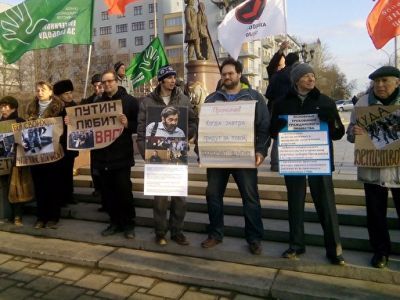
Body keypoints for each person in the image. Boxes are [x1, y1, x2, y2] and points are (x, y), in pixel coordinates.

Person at [270, 63, 345, 265]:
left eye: (313, 75)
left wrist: (331, 120)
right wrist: (277, 127)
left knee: (326, 205)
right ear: (296, 80)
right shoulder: (281, 103)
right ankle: (296, 245)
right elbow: (272, 132)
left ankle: (334, 249)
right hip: (294, 161)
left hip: (319, 161)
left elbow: (338, 134)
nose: (311, 79)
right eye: (306, 76)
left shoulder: (326, 101)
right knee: (295, 204)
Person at [199, 57, 269, 255]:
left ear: (239, 74)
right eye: (224, 74)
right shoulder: (211, 99)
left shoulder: (254, 97)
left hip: (244, 157)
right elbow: (204, 128)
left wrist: (261, 151)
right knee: (213, 196)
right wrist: (201, 152)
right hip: (216, 158)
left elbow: (264, 127)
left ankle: (254, 238)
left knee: (250, 198)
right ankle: (215, 234)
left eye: (231, 73)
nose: (227, 77)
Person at [137, 65, 198, 246]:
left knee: (179, 197)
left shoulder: (184, 100)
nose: (173, 80)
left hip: (178, 155)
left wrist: (187, 136)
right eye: (169, 77)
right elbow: (141, 132)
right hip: (157, 158)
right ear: (161, 80)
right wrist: (147, 154)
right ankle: (160, 232)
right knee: (160, 198)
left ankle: (177, 231)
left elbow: (193, 121)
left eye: (174, 77)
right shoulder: (147, 102)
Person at [347, 66, 400, 269]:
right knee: (376, 214)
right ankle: (380, 252)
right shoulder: (362, 103)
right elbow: (350, 134)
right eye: (376, 82)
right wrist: (354, 131)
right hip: (373, 170)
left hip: (398, 169)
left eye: (384, 80)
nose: (379, 85)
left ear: (397, 82)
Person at [92, 70, 139, 239]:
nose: (107, 85)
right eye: (104, 83)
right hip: (103, 156)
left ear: (116, 81)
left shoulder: (130, 101)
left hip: (122, 156)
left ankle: (128, 224)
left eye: (110, 81)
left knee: (124, 191)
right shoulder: (97, 102)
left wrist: (128, 124)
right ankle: (114, 222)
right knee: (108, 193)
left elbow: (139, 125)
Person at [26, 81, 65, 229]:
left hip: (53, 154)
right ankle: (41, 217)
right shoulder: (30, 109)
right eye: (37, 90)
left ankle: (53, 217)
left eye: (43, 90)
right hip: (36, 154)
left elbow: (64, 130)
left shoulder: (60, 109)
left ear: (50, 92)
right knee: (39, 186)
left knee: (53, 185)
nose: (39, 92)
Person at [265, 52, 300, 172]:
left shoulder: (276, 75)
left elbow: (269, 94)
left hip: (276, 108)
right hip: (293, 108)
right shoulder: (297, 76)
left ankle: (275, 163)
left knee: (278, 135)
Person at [53, 79, 79, 207]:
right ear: (59, 96)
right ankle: (61, 197)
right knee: (59, 173)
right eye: (66, 94)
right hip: (58, 145)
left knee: (68, 171)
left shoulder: (75, 106)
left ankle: (69, 195)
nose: (70, 96)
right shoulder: (54, 108)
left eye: (70, 93)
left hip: (71, 145)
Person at [0, 96, 25, 226]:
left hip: (16, 160)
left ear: (13, 108)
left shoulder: (20, 121)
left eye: (5, 106)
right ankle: (7, 214)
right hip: (2, 160)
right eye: (1, 106)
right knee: (4, 188)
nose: (2, 109)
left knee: (15, 188)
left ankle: (18, 216)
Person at [81, 74, 104, 200]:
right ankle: (97, 188)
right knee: (95, 166)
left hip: (107, 139)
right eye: (95, 86)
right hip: (94, 140)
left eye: (100, 86)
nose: (97, 89)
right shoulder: (89, 100)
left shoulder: (110, 100)